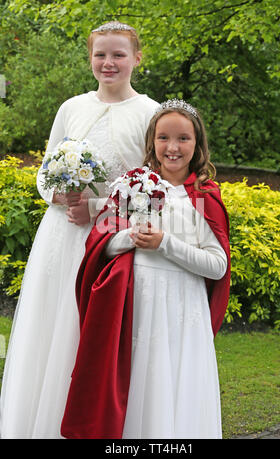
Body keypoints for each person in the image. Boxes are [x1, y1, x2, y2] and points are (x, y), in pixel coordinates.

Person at [0, 21, 159, 439]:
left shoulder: (151, 113)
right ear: (90, 58)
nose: (109, 63)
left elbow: (154, 188)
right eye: (100, 54)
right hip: (60, 236)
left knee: (98, 330)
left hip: (111, 240)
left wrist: (98, 207)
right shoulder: (71, 107)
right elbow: (44, 171)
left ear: (137, 58)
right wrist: (55, 195)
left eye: (118, 54)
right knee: (55, 327)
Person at [60, 99, 231, 439]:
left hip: (182, 310)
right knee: (139, 382)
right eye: (164, 137)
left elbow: (217, 265)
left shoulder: (203, 196)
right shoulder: (133, 185)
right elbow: (100, 245)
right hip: (137, 307)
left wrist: (165, 243)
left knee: (175, 382)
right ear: (152, 141)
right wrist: (130, 237)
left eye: (183, 138)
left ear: (197, 144)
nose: (172, 147)